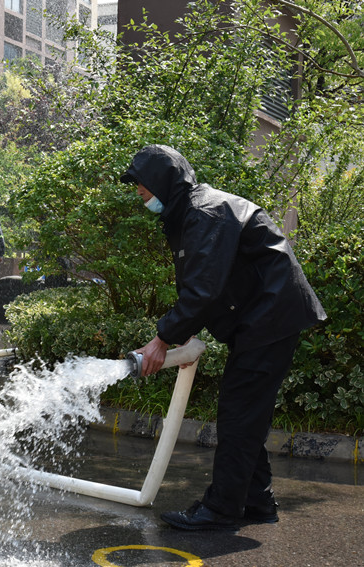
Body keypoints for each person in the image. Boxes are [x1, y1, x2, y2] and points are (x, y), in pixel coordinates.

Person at [121, 144, 326, 531]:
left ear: (162, 183)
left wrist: (162, 339)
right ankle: (257, 501)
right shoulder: (191, 212)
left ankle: (221, 509)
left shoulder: (205, 212)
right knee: (244, 414)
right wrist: (186, 330)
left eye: (144, 189)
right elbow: (204, 280)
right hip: (263, 316)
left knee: (237, 414)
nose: (141, 197)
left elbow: (205, 288)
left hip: (270, 316)